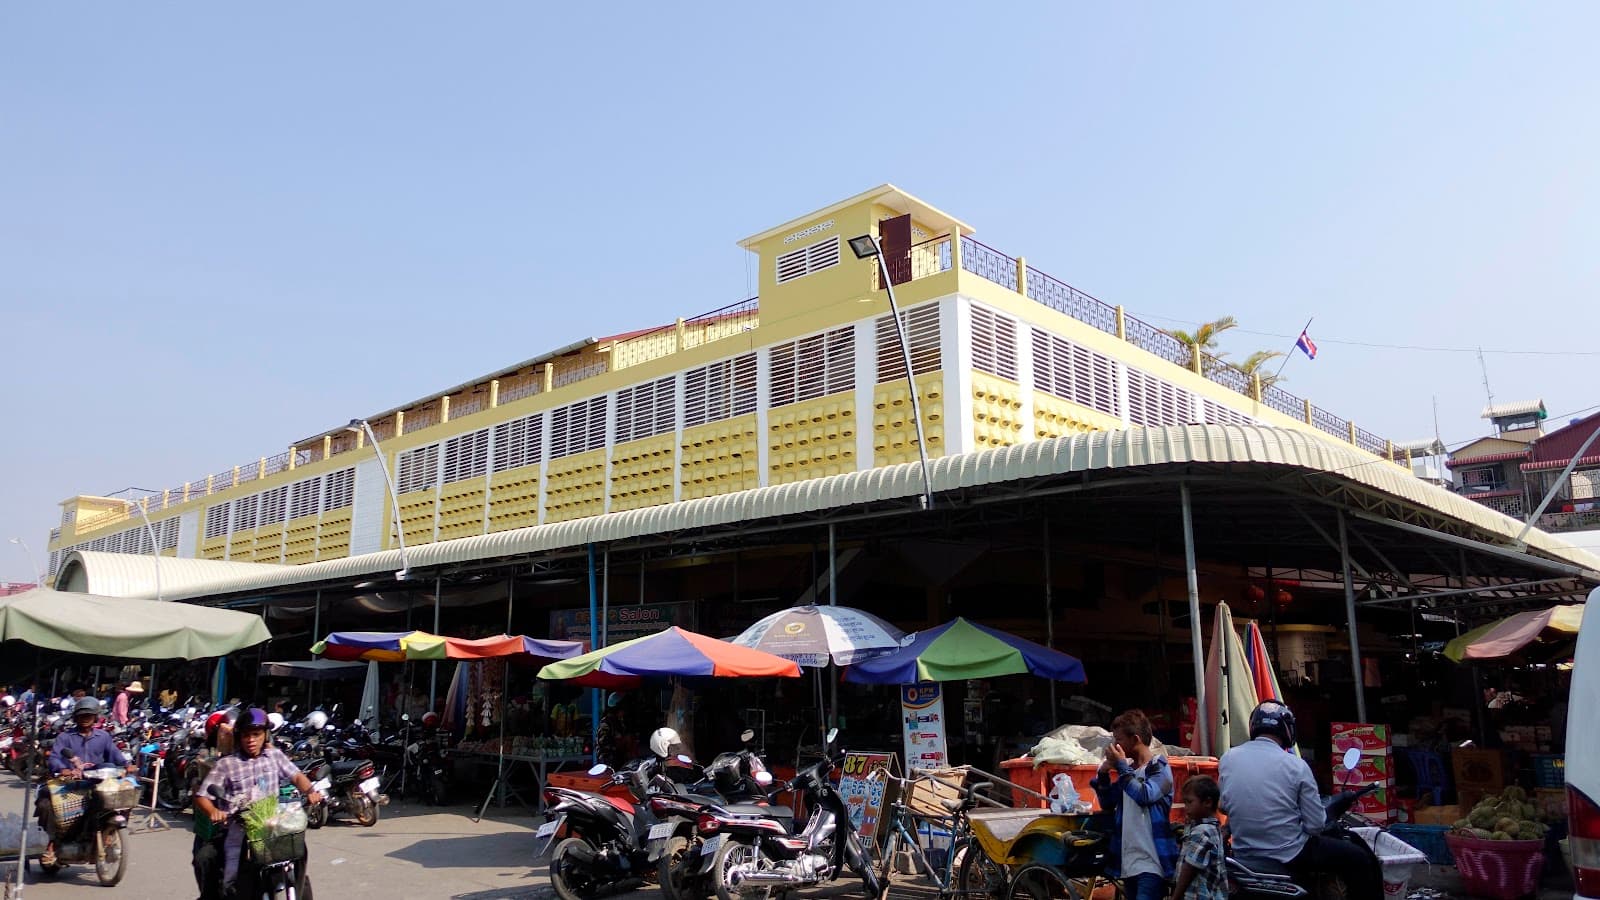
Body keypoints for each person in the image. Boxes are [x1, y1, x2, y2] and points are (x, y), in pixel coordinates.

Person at [1219, 700, 1381, 897]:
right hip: (1289, 854)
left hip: (1244, 852)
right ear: (1287, 729)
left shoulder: (1228, 758)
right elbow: (1315, 825)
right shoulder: (1296, 766)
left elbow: (1224, 806)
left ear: (1254, 726)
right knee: (1359, 859)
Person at [193, 708, 322, 899]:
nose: (251, 740)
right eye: (246, 735)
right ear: (239, 737)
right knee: (206, 858)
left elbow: (296, 776)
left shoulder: (274, 756)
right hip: (236, 827)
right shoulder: (227, 764)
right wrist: (213, 811)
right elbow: (202, 796)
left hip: (271, 826)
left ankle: (298, 889)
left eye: (256, 734)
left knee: (300, 850)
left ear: (265, 735)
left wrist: (310, 791)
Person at [1090, 709, 1178, 900]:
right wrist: (1104, 773)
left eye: (1119, 740)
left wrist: (1121, 766)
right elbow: (1107, 803)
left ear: (1135, 739)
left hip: (1152, 864)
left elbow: (1144, 795)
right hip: (1129, 863)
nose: (1115, 745)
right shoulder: (1128, 772)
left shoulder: (1159, 768)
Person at [39, 697, 135, 865]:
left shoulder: (103, 736)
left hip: (96, 783)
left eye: (89, 715)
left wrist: (127, 765)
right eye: (82, 716)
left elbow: (115, 756)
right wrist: (63, 769)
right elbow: (55, 758)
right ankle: (52, 844)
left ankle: (108, 834)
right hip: (70, 784)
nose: (85, 719)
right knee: (48, 805)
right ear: (76, 717)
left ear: (96, 717)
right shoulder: (65, 737)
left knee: (125, 794)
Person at [1172, 775, 1226, 900]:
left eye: (1190, 802)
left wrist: (1175, 897)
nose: (1186, 808)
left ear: (1207, 802)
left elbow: (1189, 868)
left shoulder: (1202, 831)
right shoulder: (1212, 829)